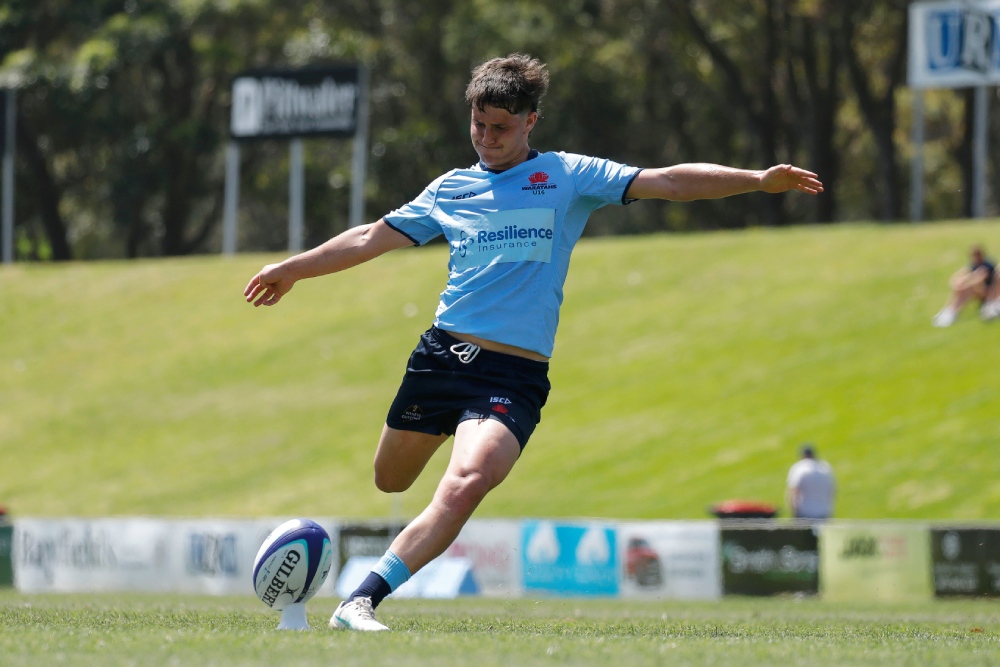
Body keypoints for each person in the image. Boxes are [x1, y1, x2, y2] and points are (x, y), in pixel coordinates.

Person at [244, 53, 824, 632]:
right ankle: (385, 537)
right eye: (479, 125)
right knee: (390, 479)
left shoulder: (568, 176)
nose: (487, 138)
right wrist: (292, 269)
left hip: (510, 377)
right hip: (440, 360)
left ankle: (361, 600)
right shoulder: (451, 188)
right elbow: (371, 237)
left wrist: (756, 180)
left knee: (468, 481)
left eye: (501, 127)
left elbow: (667, 181)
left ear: (531, 122)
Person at [932, 245, 999, 326]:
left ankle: (952, 312)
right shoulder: (975, 264)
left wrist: (964, 284)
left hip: (989, 293)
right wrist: (959, 282)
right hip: (983, 291)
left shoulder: (987, 265)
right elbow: (964, 273)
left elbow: (980, 279)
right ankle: (949, 310)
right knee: (962, 290)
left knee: (968, 289)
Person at [785, 444, 836, 521]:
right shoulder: (825, 468)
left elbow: (794, 492)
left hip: (805, 513)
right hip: (824, 512)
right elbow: (832, 491)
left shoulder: (799, 468)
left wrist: (793, 512)